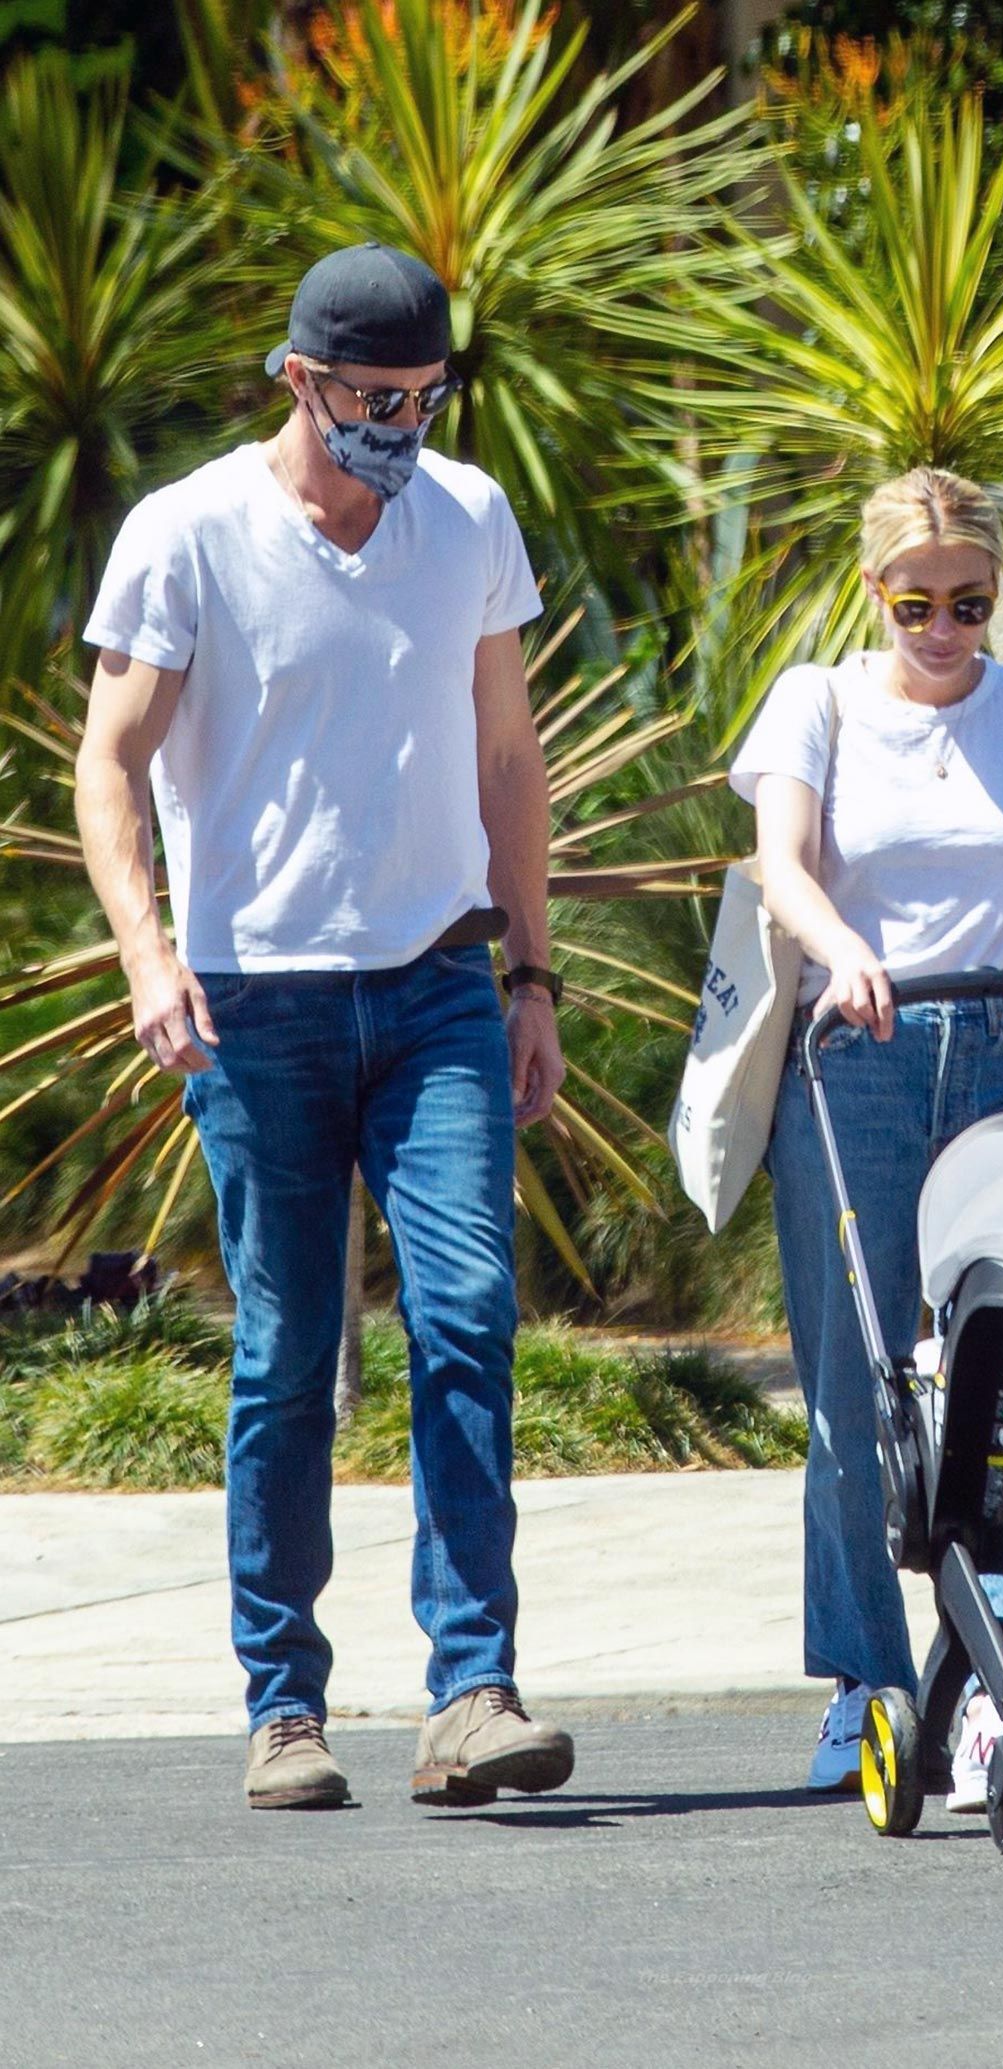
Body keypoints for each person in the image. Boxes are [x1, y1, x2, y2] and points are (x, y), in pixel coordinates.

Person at [74, 241, 575, 1812]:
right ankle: (285, 1706)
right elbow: (109, 762)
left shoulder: (467, 519)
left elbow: (508, 757)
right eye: (375, 398)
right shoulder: (189, 534)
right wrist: (150, 957)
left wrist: (534, 974)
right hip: (255, 1001)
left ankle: (472, 1692)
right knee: (289, 1354)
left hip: (437, 985)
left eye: (428, 395)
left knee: (469, 1317)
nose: (404, 425)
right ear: (300, 380)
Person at [729, 466, 1003, 1808]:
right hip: (859, 1054)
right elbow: (783, 869)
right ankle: (867, 1682)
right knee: (857, 1386)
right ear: (875, 593)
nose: (947, 630)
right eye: (918, 604)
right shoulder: (818, 703)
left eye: (972, 602)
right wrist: (845, 952)